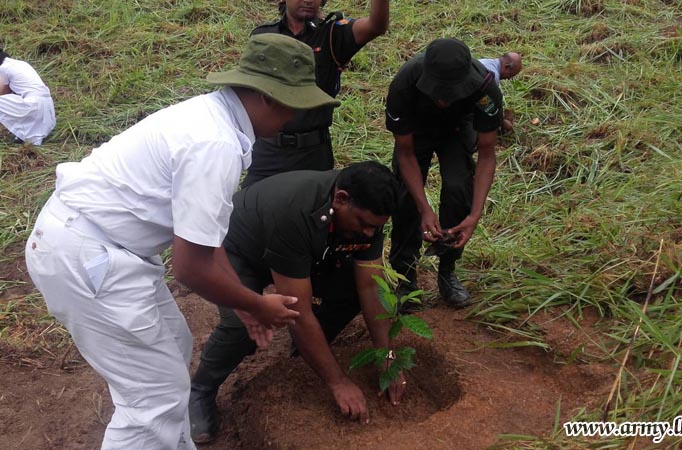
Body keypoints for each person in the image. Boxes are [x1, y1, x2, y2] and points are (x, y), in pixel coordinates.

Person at [24, 33, 340, 450]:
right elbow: (191, 267)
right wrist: (255, 304)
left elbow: (207, 244)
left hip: (99, 245)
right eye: (293, 106)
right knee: (151, 401)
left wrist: (241, 302)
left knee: (174, 347)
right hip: (89, 255)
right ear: (267, 97)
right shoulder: (215, 145)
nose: (293, 119)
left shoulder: (213, 119)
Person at [188, 162, 403, 443]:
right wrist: (338, 383)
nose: (369, 234)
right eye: (364, 224)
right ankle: (200, 390)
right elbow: (297, 310)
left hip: (305, 251)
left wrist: (385, 355)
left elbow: (370, 287)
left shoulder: (364, 215)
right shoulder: (294, 212)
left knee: (353, 290)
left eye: (376, 228)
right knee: (244, 325)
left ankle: (304, 355)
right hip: (239, 250)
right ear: (340, 199)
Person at [386, 38, 504, 308]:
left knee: (459, 187)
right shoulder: (404, 84)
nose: (442, 99)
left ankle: (448, 271)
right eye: (437, 91)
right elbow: (406, 154)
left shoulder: (485, 89)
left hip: (456, 130)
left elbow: (487, 154)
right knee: (405, 198)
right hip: (416, 131)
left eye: (449, 92)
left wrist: (474, 216)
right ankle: (405, 278)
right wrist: (424, 208)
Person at [242, 0, 390, 186]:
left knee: (311, 211)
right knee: (249, 209)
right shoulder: (263, 36)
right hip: (267, 151)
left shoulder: (332, 34)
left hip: (313, 153)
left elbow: (376, 26)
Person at [0, 48, 56, 145]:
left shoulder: (3, 68)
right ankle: (21, 135)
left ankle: (21, 134)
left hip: (33, 104)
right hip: (47, 107)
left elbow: (3, 92)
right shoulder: (20, 63)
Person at [479, 52, 522, 130]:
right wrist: (501, 122)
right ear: (506, 67)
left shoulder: (484, 61)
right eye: (510, 75)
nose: (508, 79)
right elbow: (487, 106)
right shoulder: (492, 77)